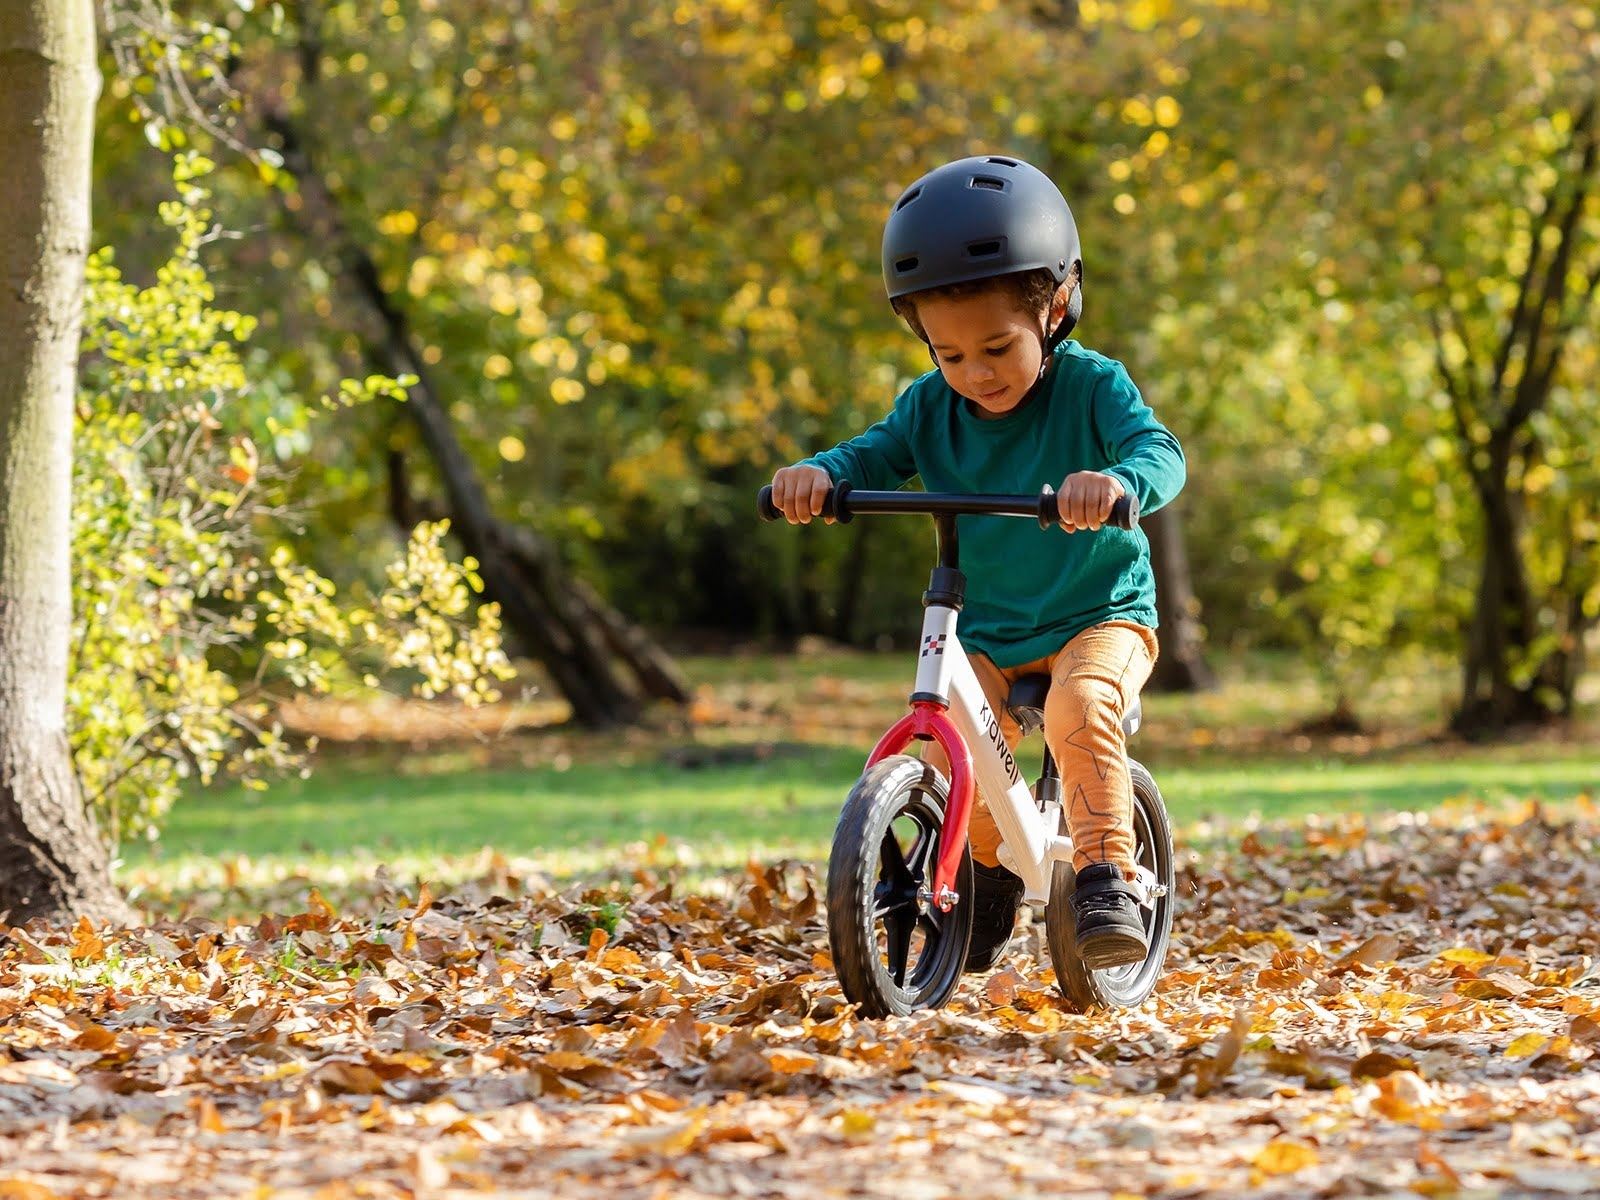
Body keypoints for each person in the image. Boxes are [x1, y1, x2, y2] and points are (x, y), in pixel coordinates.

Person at [768, 155, 1185, 972]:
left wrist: (1118, 480)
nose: (975, 374)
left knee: (1077, 707)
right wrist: (822, 474)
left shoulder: (1093, 386)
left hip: (1100, 613)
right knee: (962, 744)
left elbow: (1158, 452)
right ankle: (984, 876)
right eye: (949, 354)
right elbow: (876, 452)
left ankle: (1107, 875)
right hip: (989, 624)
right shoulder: (932, 405)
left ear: (1056, 307)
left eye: (996, 347)